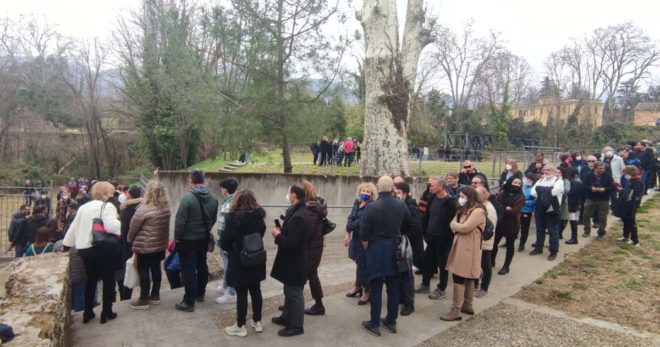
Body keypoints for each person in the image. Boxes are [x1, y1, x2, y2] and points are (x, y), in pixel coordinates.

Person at [62, 181, 121, 324]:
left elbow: (74, 227)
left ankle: (87, 312)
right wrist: (121, 224)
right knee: (108, 279)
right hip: (101, 248)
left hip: (84, 249)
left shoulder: (83, 207)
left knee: (91, 279)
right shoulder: (108, 206)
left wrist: (66, 245)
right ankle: (107, 311)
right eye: (111, 193)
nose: (113, 195)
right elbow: (112, 227)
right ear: (103, 194)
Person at [359, 176, 410, 337]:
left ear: (378, 187)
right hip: (394, 248)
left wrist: (366, 243)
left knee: (375, 287)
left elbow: (363, 231)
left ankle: (374, 323)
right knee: (393, 287)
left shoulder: (372, 207)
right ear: (392, 188)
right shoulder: (401, 204)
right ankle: (391, 321)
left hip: (376, 249)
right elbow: (408, 223)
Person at [221, 190, 267, 337]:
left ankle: (240, 325)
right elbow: (261, 234)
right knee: (256, 289)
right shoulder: (259, 218)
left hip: (239, 259)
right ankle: (257, 321)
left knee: (242, 293)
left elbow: (225, 242)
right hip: (256, 257)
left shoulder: (232, 220)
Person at [174, 170, 219, 312]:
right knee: (202, 265)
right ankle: (200, 293)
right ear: (203, 181)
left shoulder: (187, 198)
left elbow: (180, 222)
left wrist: (177, 237)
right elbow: (213, 218)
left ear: (191, 181)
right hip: (203, 239)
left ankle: (188, 302)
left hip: (187, 240)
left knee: (189, 270)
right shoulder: (213, 198)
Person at [440, 186, 486, 321]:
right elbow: (452, 223)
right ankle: (466, 305)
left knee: (462, 276)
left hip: (469, 249)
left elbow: (465, 227)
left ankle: (456, 310)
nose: (460, 199)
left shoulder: (478, 211)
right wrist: (457, 226)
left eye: (463, 196)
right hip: (462, 245)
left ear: (470, 197)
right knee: (464, 276)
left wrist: (457, 227)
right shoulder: (464, 210)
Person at [271, 183, 308, 337]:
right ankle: (286, 317)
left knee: (294, 293)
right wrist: (282, 231)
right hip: (292, 260)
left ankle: (297, 326)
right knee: (288, 290)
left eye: (288, 192)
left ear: (293, 195)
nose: (287, 195)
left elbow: (293, 243)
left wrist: (278, 236)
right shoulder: (296, 210)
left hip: (296, 261)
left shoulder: (299, 215)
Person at [127, 181, 171, 310]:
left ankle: (143, 299)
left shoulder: (143, 208)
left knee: (143, 271)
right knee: (156, 268)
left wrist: (129, 240)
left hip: (144, 246)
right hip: (160, 245)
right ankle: (155, 294)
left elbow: (133, 227)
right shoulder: (165, 207)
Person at [416, 177, 457, 304]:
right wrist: (424, 232)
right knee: (427, 261)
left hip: (443, 239)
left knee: (442, 263)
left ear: (441, 187)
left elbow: (451, 222)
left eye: (432, 185)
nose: (430, 187)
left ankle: (441, 288)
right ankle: (425, 284)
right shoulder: (431, 198)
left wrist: (447, 238)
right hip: (430, 236)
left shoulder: (450, 202)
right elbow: (427, 216)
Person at [296, 180, 329, 316]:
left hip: (309, 249)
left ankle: (318, 305)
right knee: (310, 275)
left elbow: (305, 232)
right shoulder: (314, 206)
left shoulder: (309, 208)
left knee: (308, 276)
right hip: (313, 248)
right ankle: (294, 302)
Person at [344, 182, 377, 305]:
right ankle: (357, 286)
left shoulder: (372, 205)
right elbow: (351, 217)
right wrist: (348, 233)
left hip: (366, 239)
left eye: (368, 192)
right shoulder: (357, 202)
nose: (365, 193)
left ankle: (367, 291)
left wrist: (348, 227)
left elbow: (362, 221)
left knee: (365, 265)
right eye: (363, 191)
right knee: (358, 263)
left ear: (372, 194)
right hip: (356, 238)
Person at [393, 181, 422, 316]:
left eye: (398, 192)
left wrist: (404, 238)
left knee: (406, 273)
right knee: (399, 272)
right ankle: (401, 297)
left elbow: (416, 226)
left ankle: (409, 303)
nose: (396, 194)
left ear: (404, 193)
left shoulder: (410, 205)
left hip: (406, 244)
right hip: (400, 242)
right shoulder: (398, 203)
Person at [530, 164, 564, 261]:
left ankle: (553, 251)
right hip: (539, 208)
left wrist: (540, 190)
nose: (545, 172)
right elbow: (533, 192)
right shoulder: (540, 180)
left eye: (548, 170)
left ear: (553, 171)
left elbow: (554, 192)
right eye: (544, 170)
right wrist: (547, 190)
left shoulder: (559, 181)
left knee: (552, 231)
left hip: (552, 210)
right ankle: (538, 248)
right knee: (539, 229)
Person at [492, 178, 524, 275]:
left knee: (510, 245)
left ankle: (506, 266)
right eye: (515, 182)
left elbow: (514, 211)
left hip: (512, 224)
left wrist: (503, 207)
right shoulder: (502, 193)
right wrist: (506, 208)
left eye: (519, 183)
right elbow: (496, 204)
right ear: (510, 182)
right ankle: (491, 260)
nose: (517, 185)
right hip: (500, 222)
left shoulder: (520, 197)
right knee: (494, 243)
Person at [117, 186, 143, 301]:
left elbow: (123, 231)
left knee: (127, 271)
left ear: (130, 195)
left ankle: (126, 297)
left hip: (128, 245)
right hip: (143, 243)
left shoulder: (125, 211)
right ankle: (145, 295)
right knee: (144, 270)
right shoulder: (144, 208)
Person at [216, 178, 239, 305]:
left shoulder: (230, 204)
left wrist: (225, 244)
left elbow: (228, 226)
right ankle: (225, 285)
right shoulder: (231, 201)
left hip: (227, 243)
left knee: (229, 267)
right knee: (227, 266)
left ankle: (231, 292)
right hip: (224, 242)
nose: (221, 190)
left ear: (225, 189)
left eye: (222, 188)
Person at [582, 162, 614, 239]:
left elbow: (612, 187)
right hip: (591, 198)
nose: (602, 170)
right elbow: (584, 185)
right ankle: (587, 230)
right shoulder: (589, 175)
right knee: (586, 215)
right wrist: (590, 188)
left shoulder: (608, 176)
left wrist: (605, 189)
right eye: (600, 168)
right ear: (595, 168)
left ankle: (601, 232)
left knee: (603, 216)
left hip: (603, 199)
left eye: (603, 168)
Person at [474, 187, 496, 297]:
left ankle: (484, 287)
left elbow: (490, 227)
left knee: (485, 264)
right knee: (477, 264)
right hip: (477, 240)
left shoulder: (489, 208)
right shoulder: (480, 206)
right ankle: (476, 283)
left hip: (485, 241)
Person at [615, 166, 644, 246]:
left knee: (631, 222)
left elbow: (634, 195)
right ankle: (625, 236)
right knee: (625, 221)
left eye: (626, 173)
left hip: (631, 206)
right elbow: (627, 191)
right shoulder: (631, 181)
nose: (625, 175)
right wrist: (621, 189)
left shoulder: (638, 182)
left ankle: (635, 240)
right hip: (626, 205)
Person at [564, 167, 584, 245]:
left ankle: (574, 237)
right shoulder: (577, 180)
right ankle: (572, 237)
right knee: (570, 219)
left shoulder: (575, 182)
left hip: (572, 203)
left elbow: (571, 193)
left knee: (572, 219)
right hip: (574, 202)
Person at [518, 174, 536, 252]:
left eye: (529, 179)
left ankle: (522, 244)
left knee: (524, 229)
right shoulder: (520, 187)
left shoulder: (533, 190)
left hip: (526, 211)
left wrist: (525, 202)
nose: (526, 180)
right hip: (517, 210)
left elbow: (534, 201)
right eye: (526, 178)